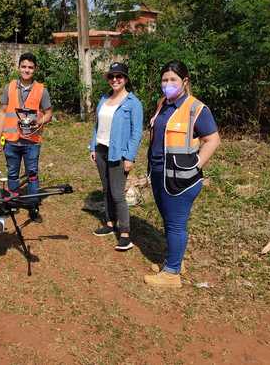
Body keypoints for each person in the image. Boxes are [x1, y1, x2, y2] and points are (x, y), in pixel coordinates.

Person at [145, 60, 220, 287]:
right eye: (164, 80)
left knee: (176, 224)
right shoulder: (163, 104)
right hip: (160, 173)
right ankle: (175, 260)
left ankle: (172, 274)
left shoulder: (197, 109)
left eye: (173, 80)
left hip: (181, 178)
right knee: (169, 220)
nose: (168, 84)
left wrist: (195, 165)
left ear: (184, 82)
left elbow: (212, 140)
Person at [90, 62, 143, 251]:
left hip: (119, 153)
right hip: (101, 150)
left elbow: (137, 132)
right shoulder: (104, 98)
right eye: (112, 76)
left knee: (118, 193)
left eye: (119, 76)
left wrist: (129, 157)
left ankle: (125, 234)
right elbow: (96, 125)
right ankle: (110, 223)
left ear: (126, 79)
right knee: (106, 190)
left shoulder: (133, 103)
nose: (115, 80)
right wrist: (92, 146)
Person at [0, 52, 53, 222]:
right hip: (11, 140)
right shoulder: (9, 87)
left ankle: (33, 207)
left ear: (35, 69)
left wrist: (39, 121)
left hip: (31, 141)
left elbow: (48, 114)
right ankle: (12, 203)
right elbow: (3, 112)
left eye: (30, 67)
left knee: (32, 174)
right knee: (12, 173)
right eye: (24, 66)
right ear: (19, 67)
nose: (27, 70)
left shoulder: (42, 90)